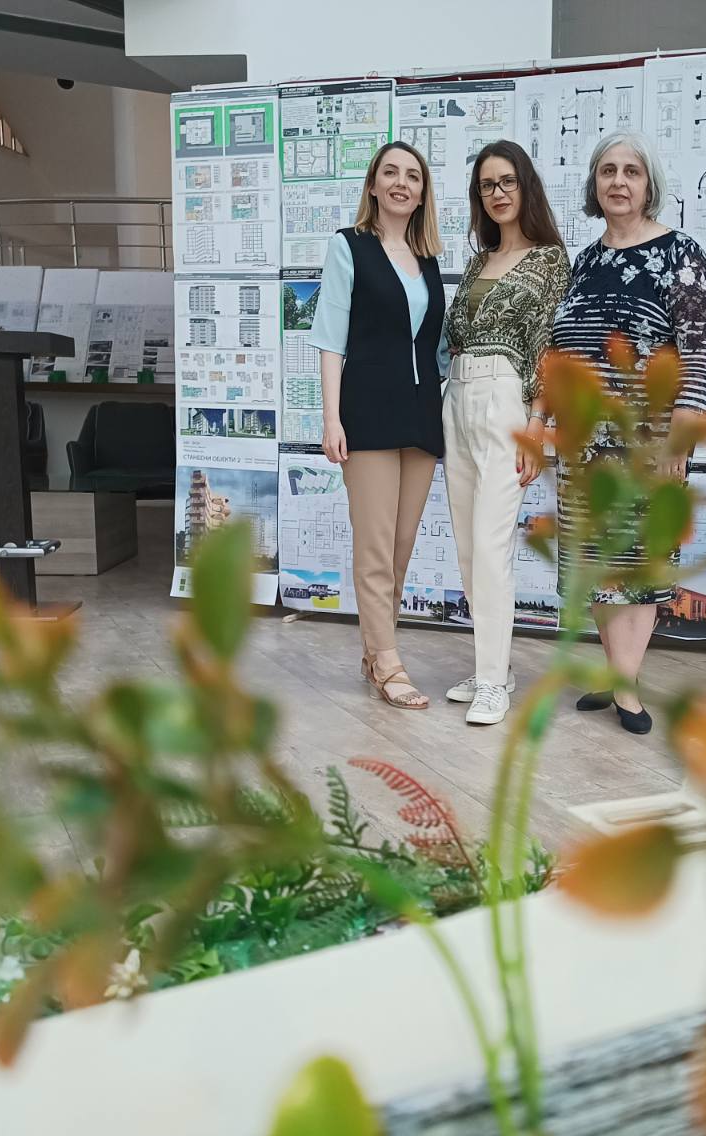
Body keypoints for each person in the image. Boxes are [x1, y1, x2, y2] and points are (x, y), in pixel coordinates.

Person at [548, 130, 706, 735]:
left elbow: (699, 352)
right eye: (608, 171)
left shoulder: (680, 254)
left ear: (649, 185)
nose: (618, 181)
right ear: (594, 184)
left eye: (631, 172)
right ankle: (620, 673)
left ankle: (625, 686)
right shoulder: (586, 261)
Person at [309, 141, 451, 710]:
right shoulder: (349, 247)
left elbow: (436, 348)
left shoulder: (428, 260)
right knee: (373, 545)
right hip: (366, 413)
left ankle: (375, 653)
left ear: (422, 193)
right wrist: (331, 419)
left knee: (400, 545)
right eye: (390, 172)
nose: (401, 183)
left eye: (412, 176)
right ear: (372, 185)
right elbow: (330, 339)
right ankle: (389, 662)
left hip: (421, 415)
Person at [440, 141, 570, 726]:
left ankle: (493, 683)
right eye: (487, 184)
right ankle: (493, 665)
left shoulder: (550, 261)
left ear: (526, 187)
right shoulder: (477, 262)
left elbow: (550, 348)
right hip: (458, 399)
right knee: (469, 547)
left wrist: (539, 424)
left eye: (507, 181)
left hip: (508, 403)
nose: (497, 193)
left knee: (492, 547)